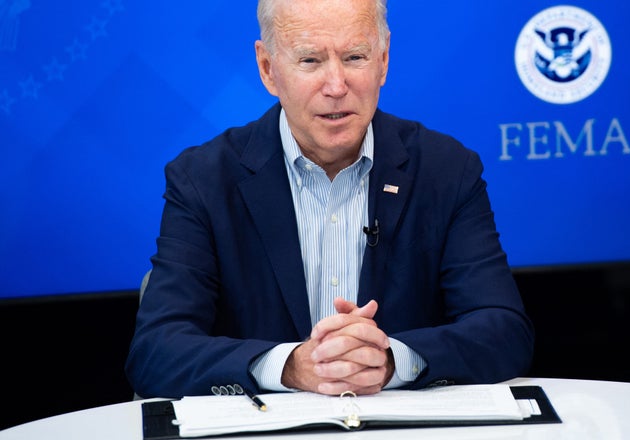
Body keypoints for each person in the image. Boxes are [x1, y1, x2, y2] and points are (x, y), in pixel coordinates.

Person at [125, 0, 534, 399]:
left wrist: (391, 361)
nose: (337, 86)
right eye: (310, 61)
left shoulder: (446, 170)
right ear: (268, 69)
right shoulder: (203, 180)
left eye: (355, 57)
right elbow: (156, 352)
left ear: (384, 59)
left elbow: (504, 330)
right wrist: (292, 366)